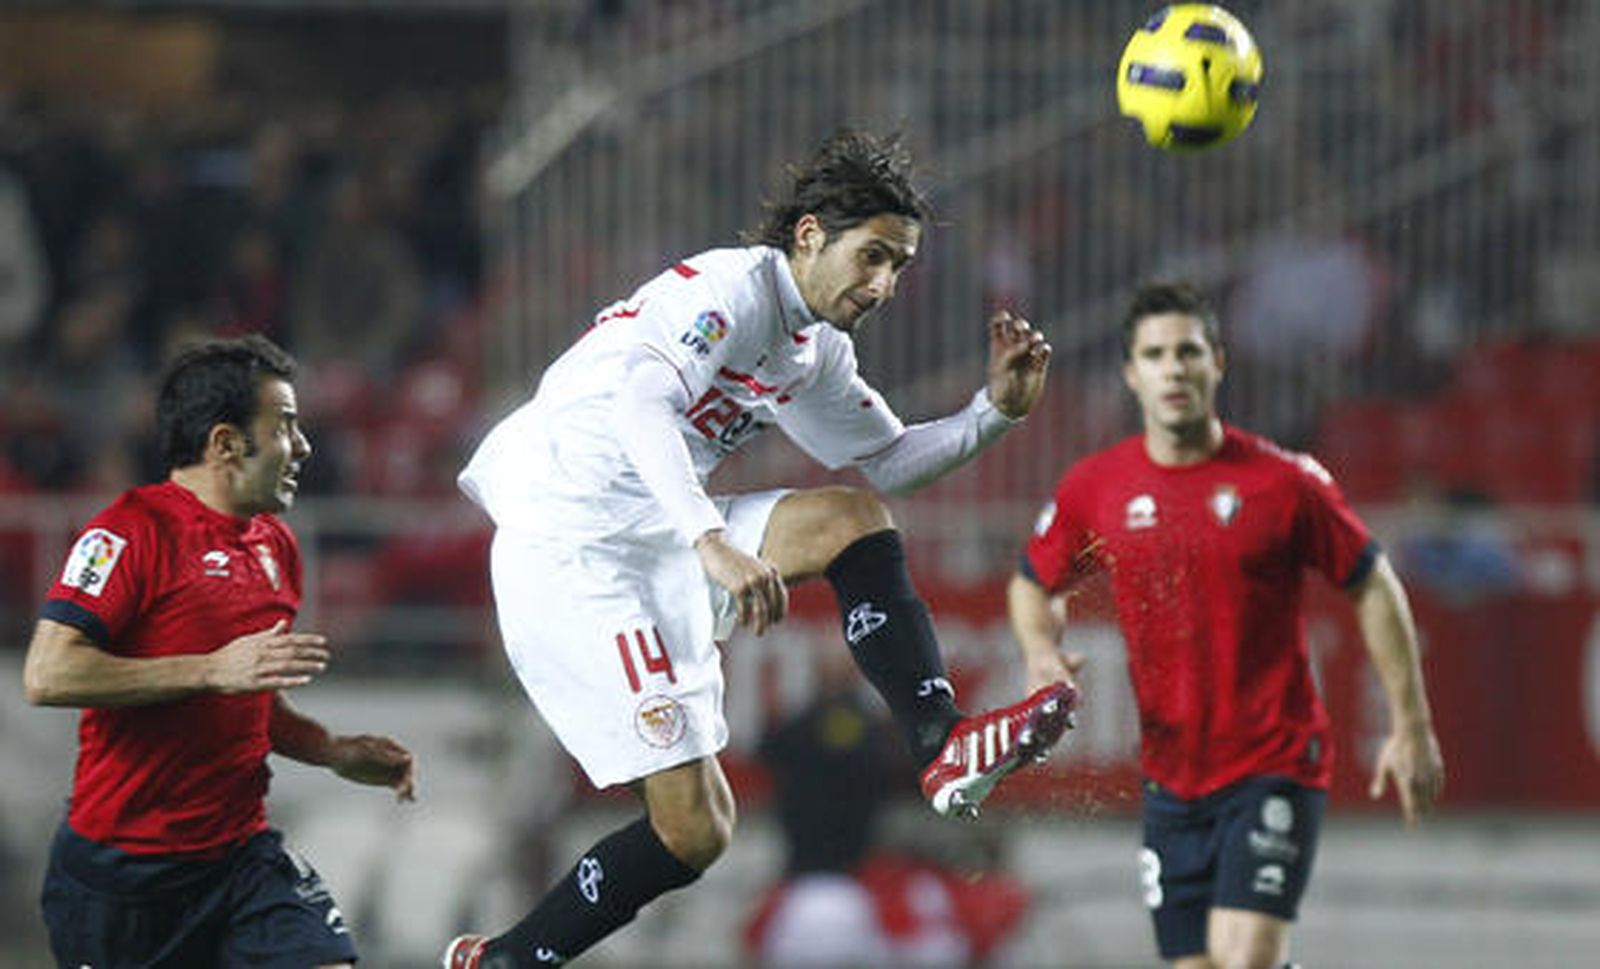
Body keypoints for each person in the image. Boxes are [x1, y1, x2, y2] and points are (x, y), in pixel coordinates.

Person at [445, 129, 1075, 968]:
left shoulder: (811, 349)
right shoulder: (729, 290)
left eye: (899, 266)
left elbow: (891, 461)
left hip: (659, 529)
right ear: (809, 234)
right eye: (873, 256)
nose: (884, 284)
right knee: (689, 825)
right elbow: (641, 402)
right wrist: (711, 541)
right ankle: (510, 961)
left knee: (852, 519)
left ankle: (942, 744)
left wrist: (995, 412)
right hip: (575, 548)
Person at [1007, 282, 1446, 969]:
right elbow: (1033, 584)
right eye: (1155, 354)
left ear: (1218, 361)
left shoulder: (1284, 482)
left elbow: (1374, 582)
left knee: (1245, 959)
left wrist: (1410, 724)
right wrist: (1040, 653)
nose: (1174, 368)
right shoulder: (1097, 487)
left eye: (1188, 351)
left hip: (1274, 759)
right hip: (1171, 778)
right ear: (1131, 373)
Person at [22, 333, 416, 968]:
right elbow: (47, 673)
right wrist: (209, 669)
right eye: (286, 426)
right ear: (226, 443)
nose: (304, 447)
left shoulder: (277, 547)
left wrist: (332, 750)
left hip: (239, 860)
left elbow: (252, 701)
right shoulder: (125, 532)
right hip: (120, 879)